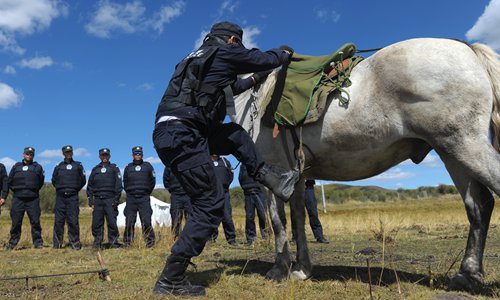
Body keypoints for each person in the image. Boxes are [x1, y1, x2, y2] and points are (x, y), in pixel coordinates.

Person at [152, 21, 299, 296]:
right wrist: (283, 54)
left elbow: (231, 87)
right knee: (210, 206)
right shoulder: (224, 52)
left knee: (233, 135)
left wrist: (257, 79)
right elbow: (261, 58)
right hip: (184, 133)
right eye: (238, 45)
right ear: (232, 40)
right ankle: (170, 278)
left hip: (177, 130)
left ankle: (272, 180)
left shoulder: (197, 57)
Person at [5, 147, 45, 249]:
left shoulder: (38, 167)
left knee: (35, 221)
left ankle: (38, 243)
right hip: (18, 198)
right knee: (16, 222)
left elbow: (40, 182)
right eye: (27, 154)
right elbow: (9, 182)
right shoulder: (16, 167)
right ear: (23, 154)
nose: (29, 155)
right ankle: (12, 243)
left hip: (33, 198)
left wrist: (32, 190)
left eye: (31, 154)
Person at [51, 145, 86, 250]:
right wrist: (61, 189)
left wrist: (74, 189)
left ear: (72, 153)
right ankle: (57, 244)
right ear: (63, 154)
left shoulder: (78, 165)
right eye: (66, 152)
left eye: (70, 152)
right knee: (59, 221)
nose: (68, 154)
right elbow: (54, 180)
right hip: (61, 197)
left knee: (73, 220)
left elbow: (83, 180)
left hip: (73, 197)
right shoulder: (58, 166)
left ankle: (74, 243)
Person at [87, 148, 123, 249]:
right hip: (98, 200)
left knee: (112, 222)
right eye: (102, 155)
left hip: (110, 199)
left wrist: (116, 199)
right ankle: (97, 242)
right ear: (99, 157)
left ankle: (113, 242)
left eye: (106, 155)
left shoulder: (114, 168)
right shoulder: (95, 169)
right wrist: (90, 198)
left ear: (109, 156)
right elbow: (90, 185)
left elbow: (119, 185)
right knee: (96, 223)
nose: (104, 157)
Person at [123, 146, 156, 248]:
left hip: (144, 198)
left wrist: (146, 192)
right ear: (132, 155)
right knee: (129, 222)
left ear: (142, 154)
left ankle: (150, 244)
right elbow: (125, 182)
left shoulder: (148, 166)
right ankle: (128, 243)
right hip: (131, 198)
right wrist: (130, 192)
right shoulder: (128, 167)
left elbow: (152, 181)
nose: (138, 155)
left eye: (139, 153)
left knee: (146, 221)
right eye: (136, 153)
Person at [238, 164, 268, 246]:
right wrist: (245, 187)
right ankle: (250, 239)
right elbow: (240, 178)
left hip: (259, 193)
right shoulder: (242, 165)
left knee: (263, 215)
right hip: (248, 193)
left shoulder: (260, 162)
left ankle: (266, 238)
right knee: (249, 217)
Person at [291, 179, 329, 244]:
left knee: (313, 212)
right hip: (296, 187)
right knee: (297, 213)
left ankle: (319, 236)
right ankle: (296, 237)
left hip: (308, 187)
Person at [210, 154, 236, 245]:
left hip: (224, 193)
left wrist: (225, 185)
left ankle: (231, 240)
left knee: (227, 217)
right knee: (212, 216)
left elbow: (231, 175)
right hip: (211, 194)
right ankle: (211, 239)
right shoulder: (206, 161)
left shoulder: (225, 162)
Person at [163, 167, 192, 240]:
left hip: (188, 194)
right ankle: (176, 238)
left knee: (190, 217)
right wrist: (172, 190)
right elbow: (165, 179)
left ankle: (190, 238)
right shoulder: (169, 165)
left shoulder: (188, 162)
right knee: (175, 218)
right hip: (175, 195)